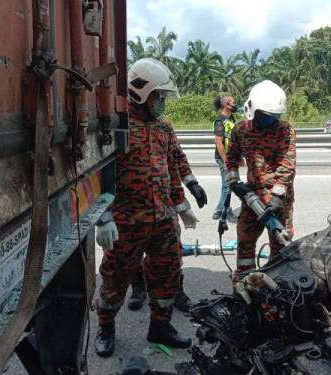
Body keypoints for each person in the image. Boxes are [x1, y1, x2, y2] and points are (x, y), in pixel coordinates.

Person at [94, 58, 194, 357]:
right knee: (114, 278)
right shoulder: (115, 127)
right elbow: (97, 173)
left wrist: (182, 202)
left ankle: (159, 326)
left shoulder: (163, 127)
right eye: (158, 96)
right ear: (140, 92)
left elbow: (172, 166)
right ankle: (106, 327)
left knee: (168, 274)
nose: (161, 103)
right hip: (126, 221)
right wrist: (103, 216)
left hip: (163, 220)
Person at [127, 139, 207, 314]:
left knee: (172, 254)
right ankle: (139, 287)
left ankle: (177, 292)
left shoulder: (163, 126)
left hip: (164, 207)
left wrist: (192, 184)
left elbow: (177, 158)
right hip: (132, 208)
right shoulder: (123, 122)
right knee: (133, 253)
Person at [226, 80, 296, 275]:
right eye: (265, 116)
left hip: (279, 200)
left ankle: (277, 292)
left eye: (274, 116)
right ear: (252, 110)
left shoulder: (285, 129)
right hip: (251, 199)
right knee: (245, 242)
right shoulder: (240, 129)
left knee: (281, 247)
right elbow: (231, 159)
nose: (270, 121)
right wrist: (234, 183)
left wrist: (278, 196)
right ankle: (245, 284)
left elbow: (287, 165)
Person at [213, 95, 237, 219]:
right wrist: (226, 160)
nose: (235, 104)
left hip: (230, 157)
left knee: (229, 184)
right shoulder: (219, 120)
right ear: (226, 105)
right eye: (233, 102)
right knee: (227, 185)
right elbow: (218, 142)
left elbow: (232, 138)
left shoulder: (231, 118)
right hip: (223, 157)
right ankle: (223, 212)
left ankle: (220, 210)